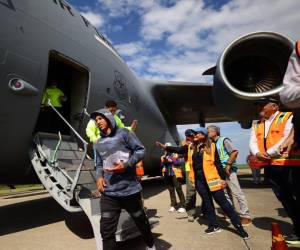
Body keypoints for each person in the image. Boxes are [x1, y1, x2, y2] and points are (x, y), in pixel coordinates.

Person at [156, 128, 249, 239]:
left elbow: (218, 164)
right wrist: (165, 147)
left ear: (204, 135)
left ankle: (239, 227)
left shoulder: (212, 146)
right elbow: (178, 149)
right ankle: (214, 226)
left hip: (212, 179)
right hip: (199, 181)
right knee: (207, 203)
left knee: (223, 203)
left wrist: (223, 178)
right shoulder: (190, 147)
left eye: (197, 133)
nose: (194, 135)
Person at [91, 108, 155, 250]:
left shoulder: (124, 133)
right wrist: (99, 177)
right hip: (109, 193)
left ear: (109, 118)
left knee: (141, 222)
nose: (98, 122)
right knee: (106, 232)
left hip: (129, 190)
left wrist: (126, 165)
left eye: (100, 119)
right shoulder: (98, 143)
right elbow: (99, 164)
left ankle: (150, 245)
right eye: (96, 121)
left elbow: (140, 150)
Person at [249, 97, 300, 245]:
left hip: (289, 164)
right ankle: (298, 229)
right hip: (270, 165)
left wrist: (268, 154)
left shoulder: (287, 117)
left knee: (297, 196)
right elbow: (252, 141)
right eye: (257, 105)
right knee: (284, 198)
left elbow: (286, 138)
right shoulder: (257, 124)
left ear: (275, 106)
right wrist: (257, 154)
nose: (259, 108)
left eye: (262, 105)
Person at [278, 41, 300, 245]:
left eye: (261, 107)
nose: (259, 110)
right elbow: (288, 94)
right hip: (276, 163)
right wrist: (291, 138)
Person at [207, 125, 252, 226]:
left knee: (237, 193)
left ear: (216, 132)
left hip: (228, 170)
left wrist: (228, 165)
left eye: (209, 131)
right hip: (219, 171)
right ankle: (231, 213)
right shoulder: (212, 143)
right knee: (226, 194)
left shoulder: (224, 140)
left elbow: (234, 152)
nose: (208, 133)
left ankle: (246, 216)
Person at [161, 143, 186, 213]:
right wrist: (164, 161)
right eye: (165, 148)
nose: (166, 150)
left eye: (167, 148)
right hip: (167, 175)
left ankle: (183, 205)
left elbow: (180, 163)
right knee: (171, 190)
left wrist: (172, 161)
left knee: (178, 189)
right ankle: (173, 205)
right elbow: (161, 165)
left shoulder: (176, 154)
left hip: (175, 174)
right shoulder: (163, 156)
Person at [181, 129, 197, 222]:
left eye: (191, 135)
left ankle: (206, 211)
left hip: (201, 168)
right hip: (189, 169)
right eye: (188, 136)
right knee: (190, 192)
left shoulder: (198, 142)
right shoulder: (184, 143)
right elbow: (181, 154)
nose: (190, 137)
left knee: (205, 191)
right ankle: (190, 213)